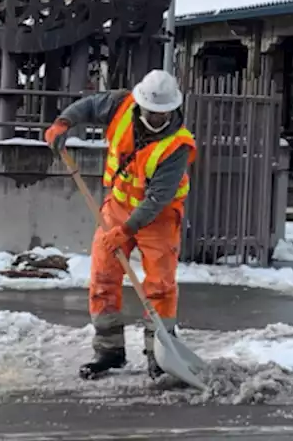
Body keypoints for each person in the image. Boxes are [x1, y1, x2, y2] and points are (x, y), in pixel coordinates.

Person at [43, 69, 197, 380]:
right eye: (150, 112)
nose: (154, 118)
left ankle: (160, 355)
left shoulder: (177, 146)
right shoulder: (121, 105)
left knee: (159, 286)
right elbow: (86, 107)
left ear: (172, 110)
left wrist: (125, 232)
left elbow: (156, 199)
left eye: (161, 114)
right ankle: (109, 350)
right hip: (117, 206)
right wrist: (63, 123)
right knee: (102, 275)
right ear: (140, 103)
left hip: (159, 216)